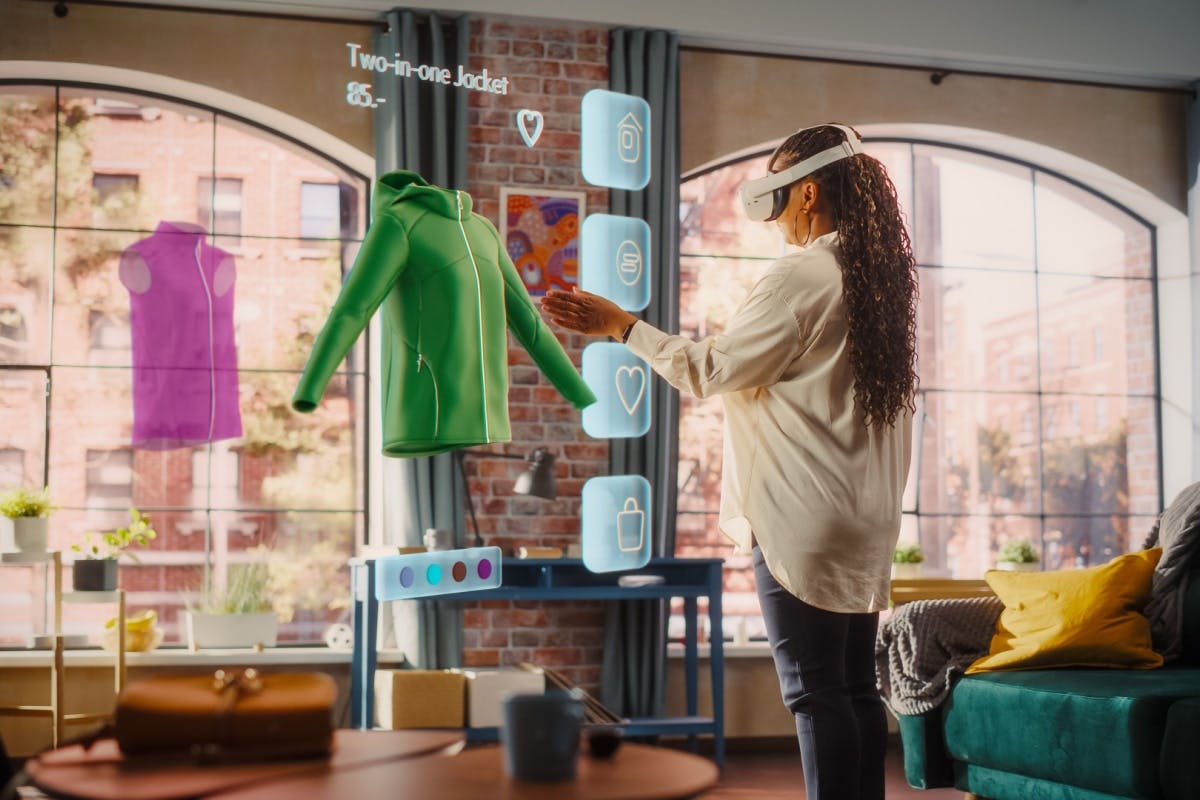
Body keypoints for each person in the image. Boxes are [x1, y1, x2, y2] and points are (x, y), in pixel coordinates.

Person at [542, 123, 917, 800]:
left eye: (777, 197)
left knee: (814, 696)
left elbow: (712, 368)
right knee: (855, 690)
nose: (773, 221)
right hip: (865, 518)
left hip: (802, 517)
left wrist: (620, 326)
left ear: (806, 194)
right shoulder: (878, 284)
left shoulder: (804, 273)